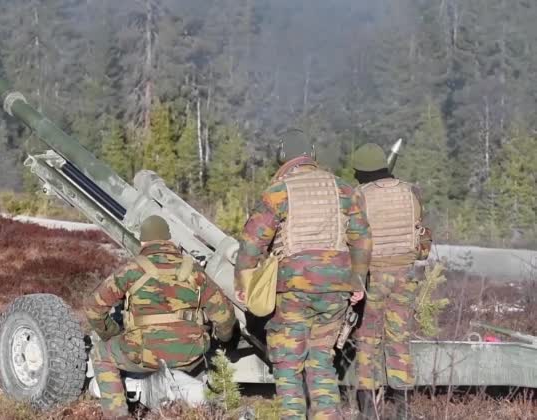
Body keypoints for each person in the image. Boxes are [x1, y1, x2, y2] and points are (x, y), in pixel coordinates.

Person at [235, 140, 372, 420]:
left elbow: (252, 244)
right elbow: (361, 240)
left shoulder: (278, 191)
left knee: (288, 365)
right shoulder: (344, 189)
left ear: (284, 158)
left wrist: (244, 283)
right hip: (336, 290)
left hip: (292, 291)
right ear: (311, 156)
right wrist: (357, 281)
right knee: (321, 360)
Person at [84, 215, 237, 420]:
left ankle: (118, 415)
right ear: (168, 238)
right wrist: (222, 339)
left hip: (143, 353)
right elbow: (225, 315)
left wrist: (112, 333)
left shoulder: (132, 269)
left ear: (143, 241)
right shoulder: (192, 269)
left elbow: (93, 307)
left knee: (102, 353)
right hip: (190, 353)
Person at [351, 142, 432, 419]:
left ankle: (368, 411)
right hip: (405, 277)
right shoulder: (411, 192)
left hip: (372, 278)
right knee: (399, 341)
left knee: (368, 341)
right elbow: (423, 242)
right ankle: (402, 410)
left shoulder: (360, 195)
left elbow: (354, 240)